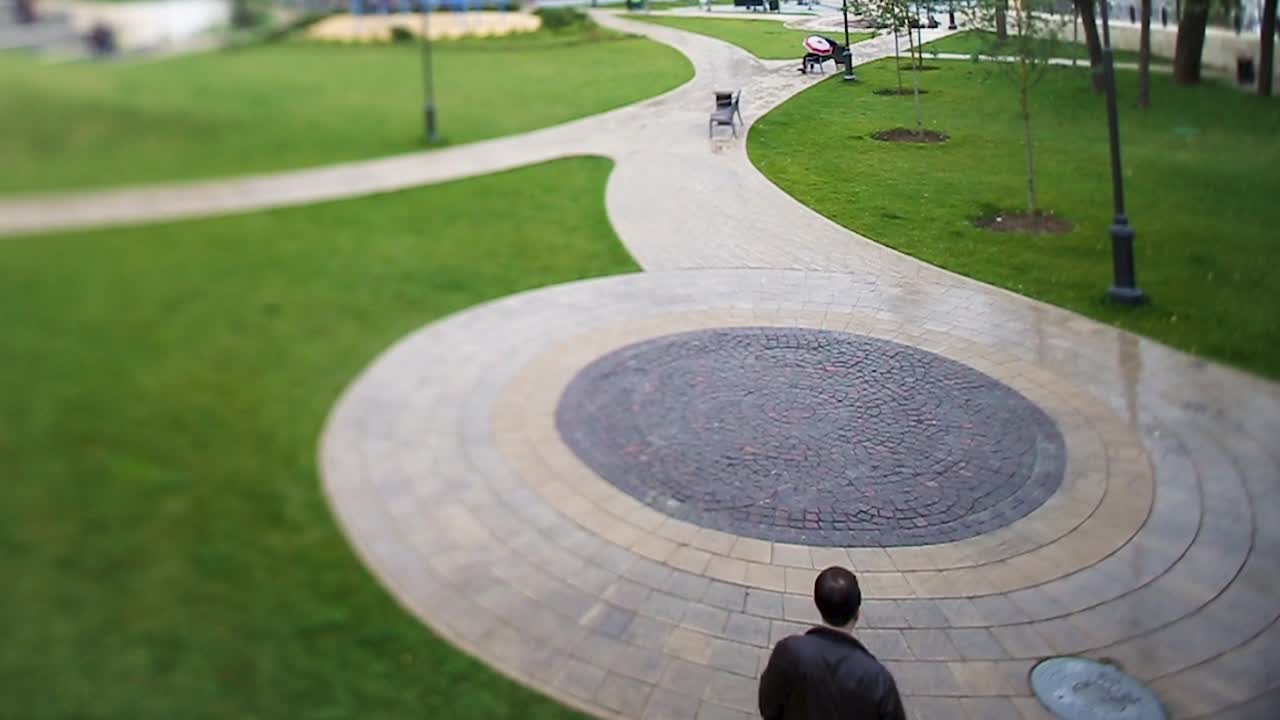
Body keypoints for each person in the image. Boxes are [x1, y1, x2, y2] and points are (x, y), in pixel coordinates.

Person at [758, 566, 906, 720]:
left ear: (817, 603)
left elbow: (768, 706)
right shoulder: (878, 679)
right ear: (857, 612)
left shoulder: (788, 651)